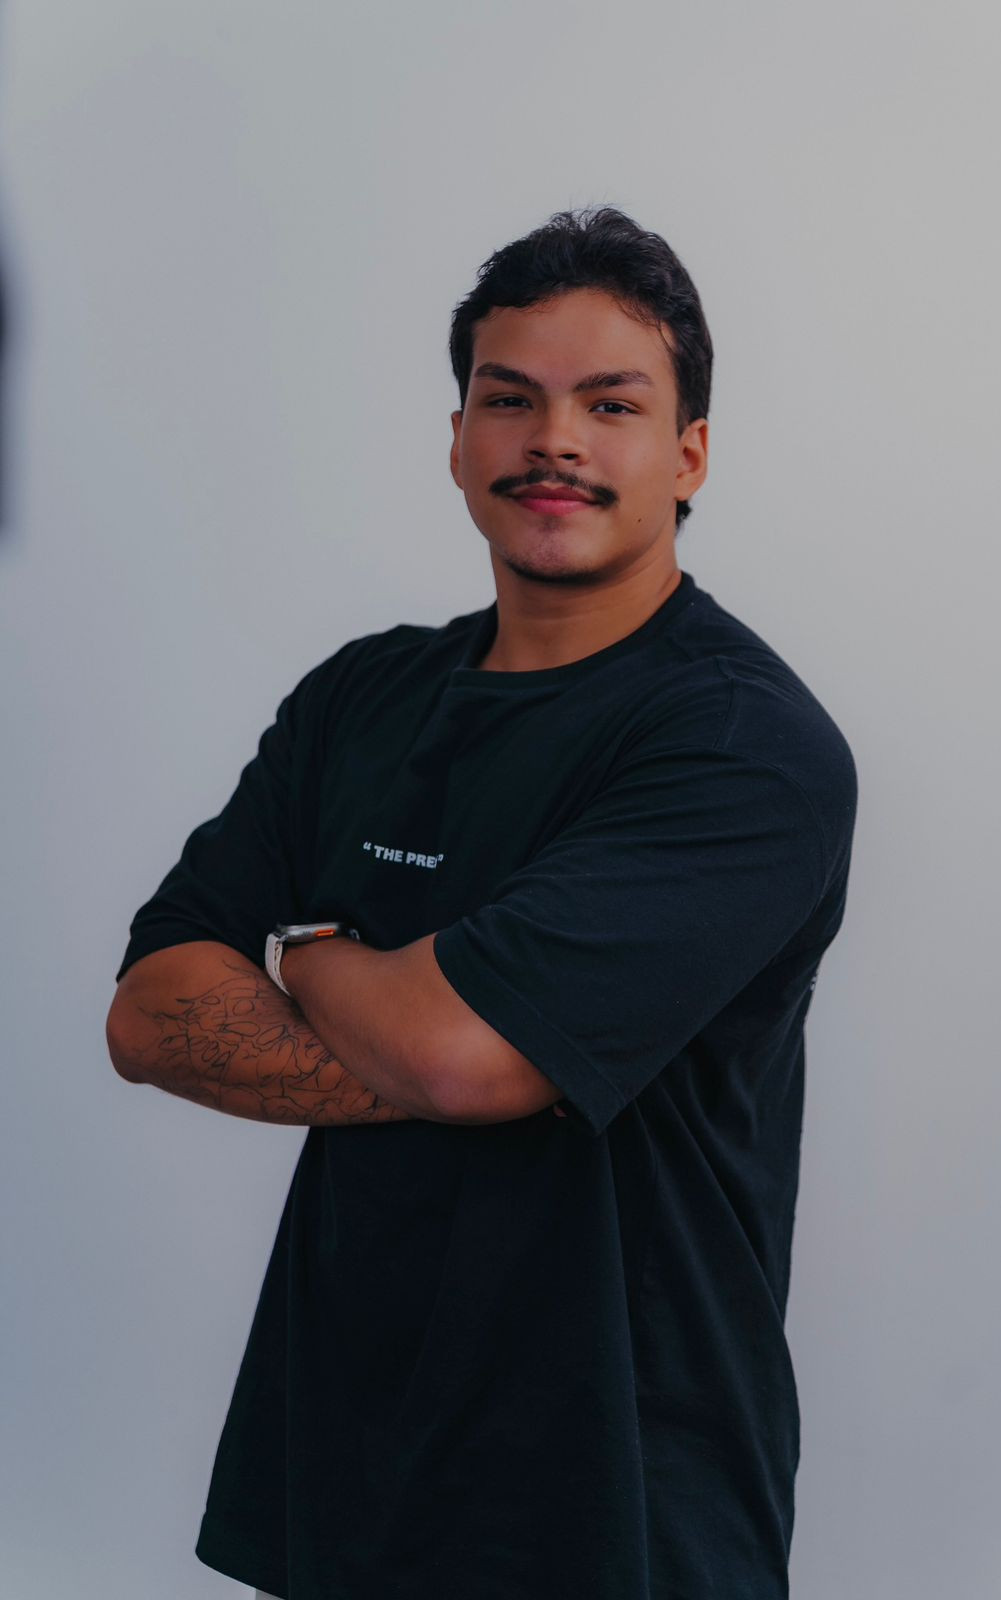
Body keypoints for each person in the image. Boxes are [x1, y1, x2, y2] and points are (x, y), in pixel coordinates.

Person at [106, 205, 858, 1599]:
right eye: (510, 400)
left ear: (688, 453)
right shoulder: (361, 698)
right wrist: (447, 1043)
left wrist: (307, 949)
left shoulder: (742, 745)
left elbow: (464, 1056)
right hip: (344, 1469)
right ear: (457, 440)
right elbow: (150, 1016)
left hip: (620, 1497)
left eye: (610, 405)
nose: (552, 441)